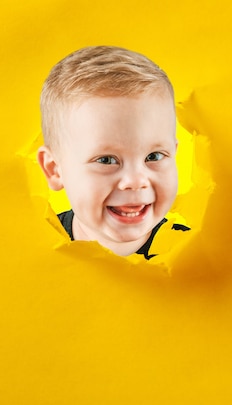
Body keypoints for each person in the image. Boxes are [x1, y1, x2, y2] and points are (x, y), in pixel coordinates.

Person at [37, 46, 188, 258]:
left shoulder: (196, 255)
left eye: (153, 156)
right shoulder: (36, 252)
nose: (136, 181)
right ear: (55, 170)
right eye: (107, 160)